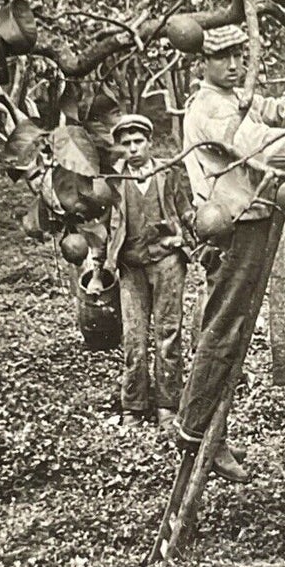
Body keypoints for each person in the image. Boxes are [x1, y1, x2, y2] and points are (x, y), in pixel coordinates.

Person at [174, 24, 285, 482]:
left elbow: (266, 113)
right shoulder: (208, 108)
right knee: (224, 327)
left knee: (235, 325)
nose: (233, 65)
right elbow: (256, 145)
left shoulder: (231, 100)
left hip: (250, 221)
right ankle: (193, 430)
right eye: (222, 57)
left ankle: (213, 434)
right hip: (233, 228)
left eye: (239, 56)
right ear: (201, 63)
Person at [104, 111, 192, 426]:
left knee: (169, 333)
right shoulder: (112, 180)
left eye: (139, 141)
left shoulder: (168, 173)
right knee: (133, 337)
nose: (133, 149)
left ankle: (168, 405)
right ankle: (133, 406)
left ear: (150, 143)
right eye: (126, 143)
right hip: (131, 265)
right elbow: (101, 225)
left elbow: (185, 210)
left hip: (167, 260)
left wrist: (203, 232)